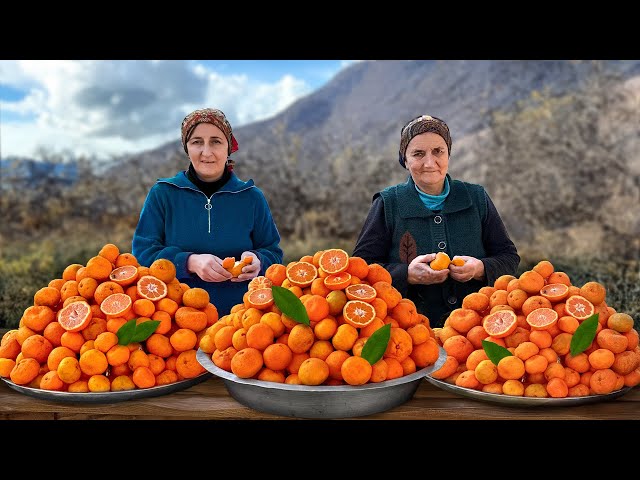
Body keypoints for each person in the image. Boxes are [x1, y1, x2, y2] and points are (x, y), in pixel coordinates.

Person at [352, 114, 520, 328]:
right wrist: (407, 274)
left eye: (438, 151)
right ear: (405, 160)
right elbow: (360, 269)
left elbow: (509, 257)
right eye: (418, 154)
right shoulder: (388, 203)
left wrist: (480, 269)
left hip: (478, 329)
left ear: (448, 154)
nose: (429, 163)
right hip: (409, 332)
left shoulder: (476, 197)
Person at [132, 108, 283, 316]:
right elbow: (142, 253)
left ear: (228, 147)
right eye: (196, 142)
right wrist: (188, 262)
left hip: (242, 324)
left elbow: (273, 252)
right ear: (187, 148)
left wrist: (259, 261)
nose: (206, 152)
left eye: (216, 141)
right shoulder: (164, 194)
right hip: (177, 324)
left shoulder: (251, 197)